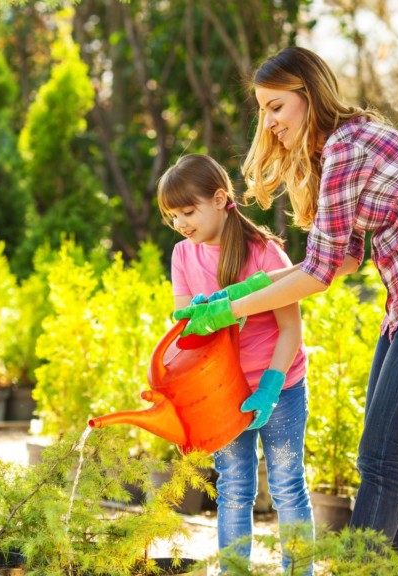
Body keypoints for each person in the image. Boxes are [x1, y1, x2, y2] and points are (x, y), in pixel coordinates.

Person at [173, 46, 398, 568]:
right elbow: (342, 260)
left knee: (379, 458)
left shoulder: (347, 147)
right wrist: (235, 294)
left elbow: (317, 276)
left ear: (308, 93)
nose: (269, 122)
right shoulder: (343, 146)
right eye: (263, 110)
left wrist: (232, 310)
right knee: (394, 458)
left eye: (276, 107)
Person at [157, 154, 314, 574]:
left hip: (280, 386)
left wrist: (271, 384)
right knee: (234, 487)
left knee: (286, 486)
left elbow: (290, 330)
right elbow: (187, 338)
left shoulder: (265, 253)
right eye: (173, 216)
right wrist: (196, 318)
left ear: (221, 198)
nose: (181, 223)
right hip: (223, 393)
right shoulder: (182, 256)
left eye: (188, 211)